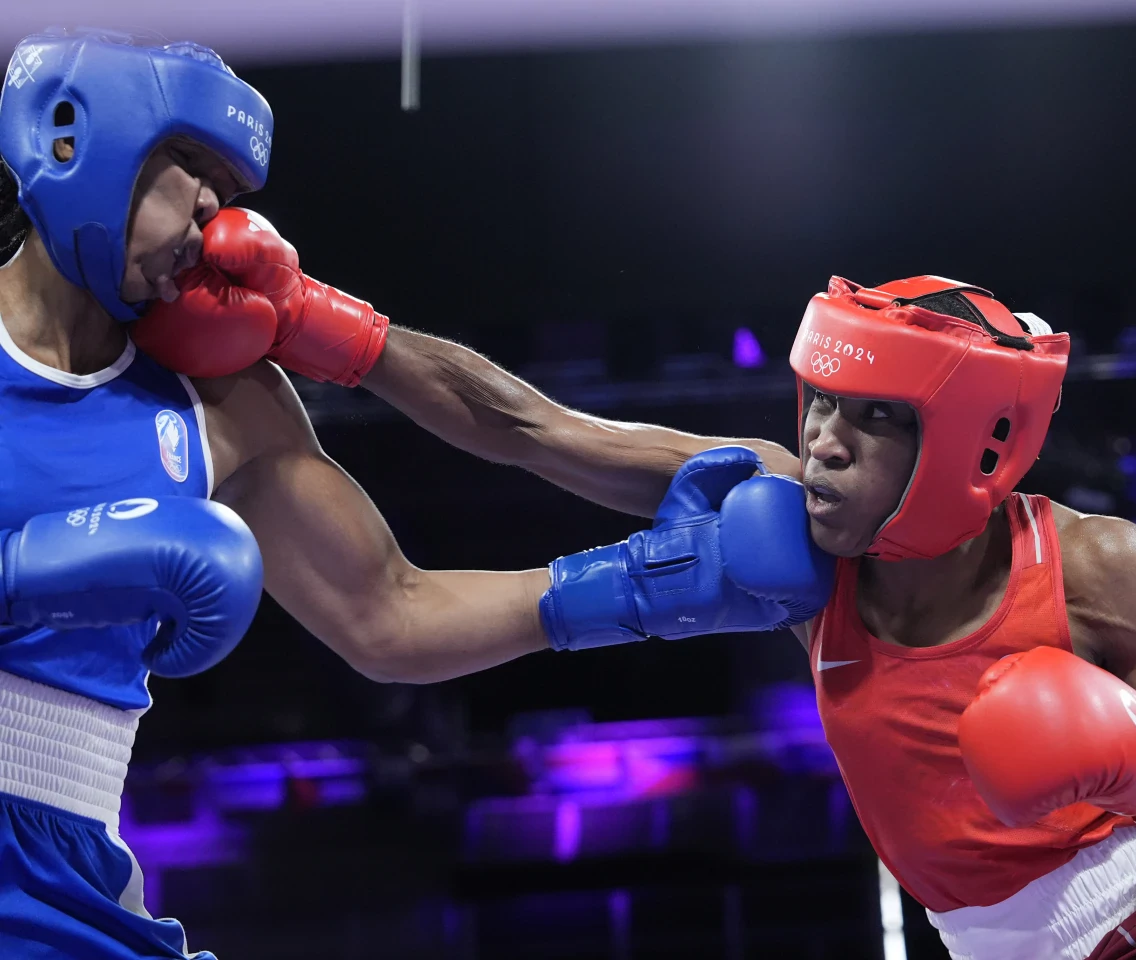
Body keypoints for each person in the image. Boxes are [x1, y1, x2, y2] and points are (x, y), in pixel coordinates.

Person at [143, 240, 1136, 954]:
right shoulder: (799, 534)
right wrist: (316, 324)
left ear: (969, 446)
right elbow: (532, 430)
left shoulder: (1097, 568)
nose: (823, 444)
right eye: (821, 405)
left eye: (870, 419)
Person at [0, 28, 832, 959]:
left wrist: (641, 583)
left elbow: (392, 613)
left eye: (226, 194)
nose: (210, 211)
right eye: (188, 164)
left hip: (69, 880)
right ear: (73, 141)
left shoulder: (216, 402)